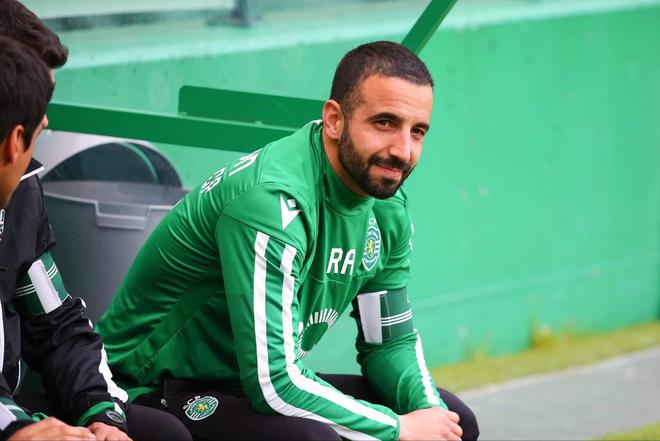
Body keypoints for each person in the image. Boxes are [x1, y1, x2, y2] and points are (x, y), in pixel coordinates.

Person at [97, 41, 479, 441]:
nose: (403, 150)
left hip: (249, 386)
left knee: (455, 421)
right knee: (314, 440)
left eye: (417, 131)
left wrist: (429, 414)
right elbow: (274, 383)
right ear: (334, 120)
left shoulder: (385, 205)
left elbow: (388, 343)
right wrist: (399, 428)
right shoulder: (272, 202)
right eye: (384, 123)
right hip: (155, 390)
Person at [0, 1, 191, 440]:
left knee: (163, 433)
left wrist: (101, 414)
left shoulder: (21, 190)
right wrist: (18, 429)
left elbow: (56, 322)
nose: (46, 120)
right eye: (36, 102)